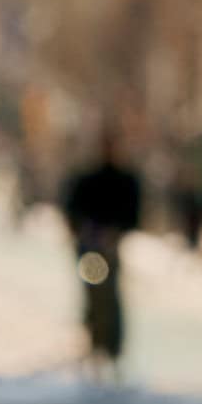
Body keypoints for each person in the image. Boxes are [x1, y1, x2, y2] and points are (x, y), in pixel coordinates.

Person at [64, 129, 142, 372]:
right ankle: (95, 344)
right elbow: (73, 214)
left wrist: (113, 234)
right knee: (95, 296)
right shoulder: (88, 180)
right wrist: (85, 233)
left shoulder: (124, 180)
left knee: (110, 298)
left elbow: (132, 216)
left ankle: (111, 349)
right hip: (90, 249)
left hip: (109, 248)